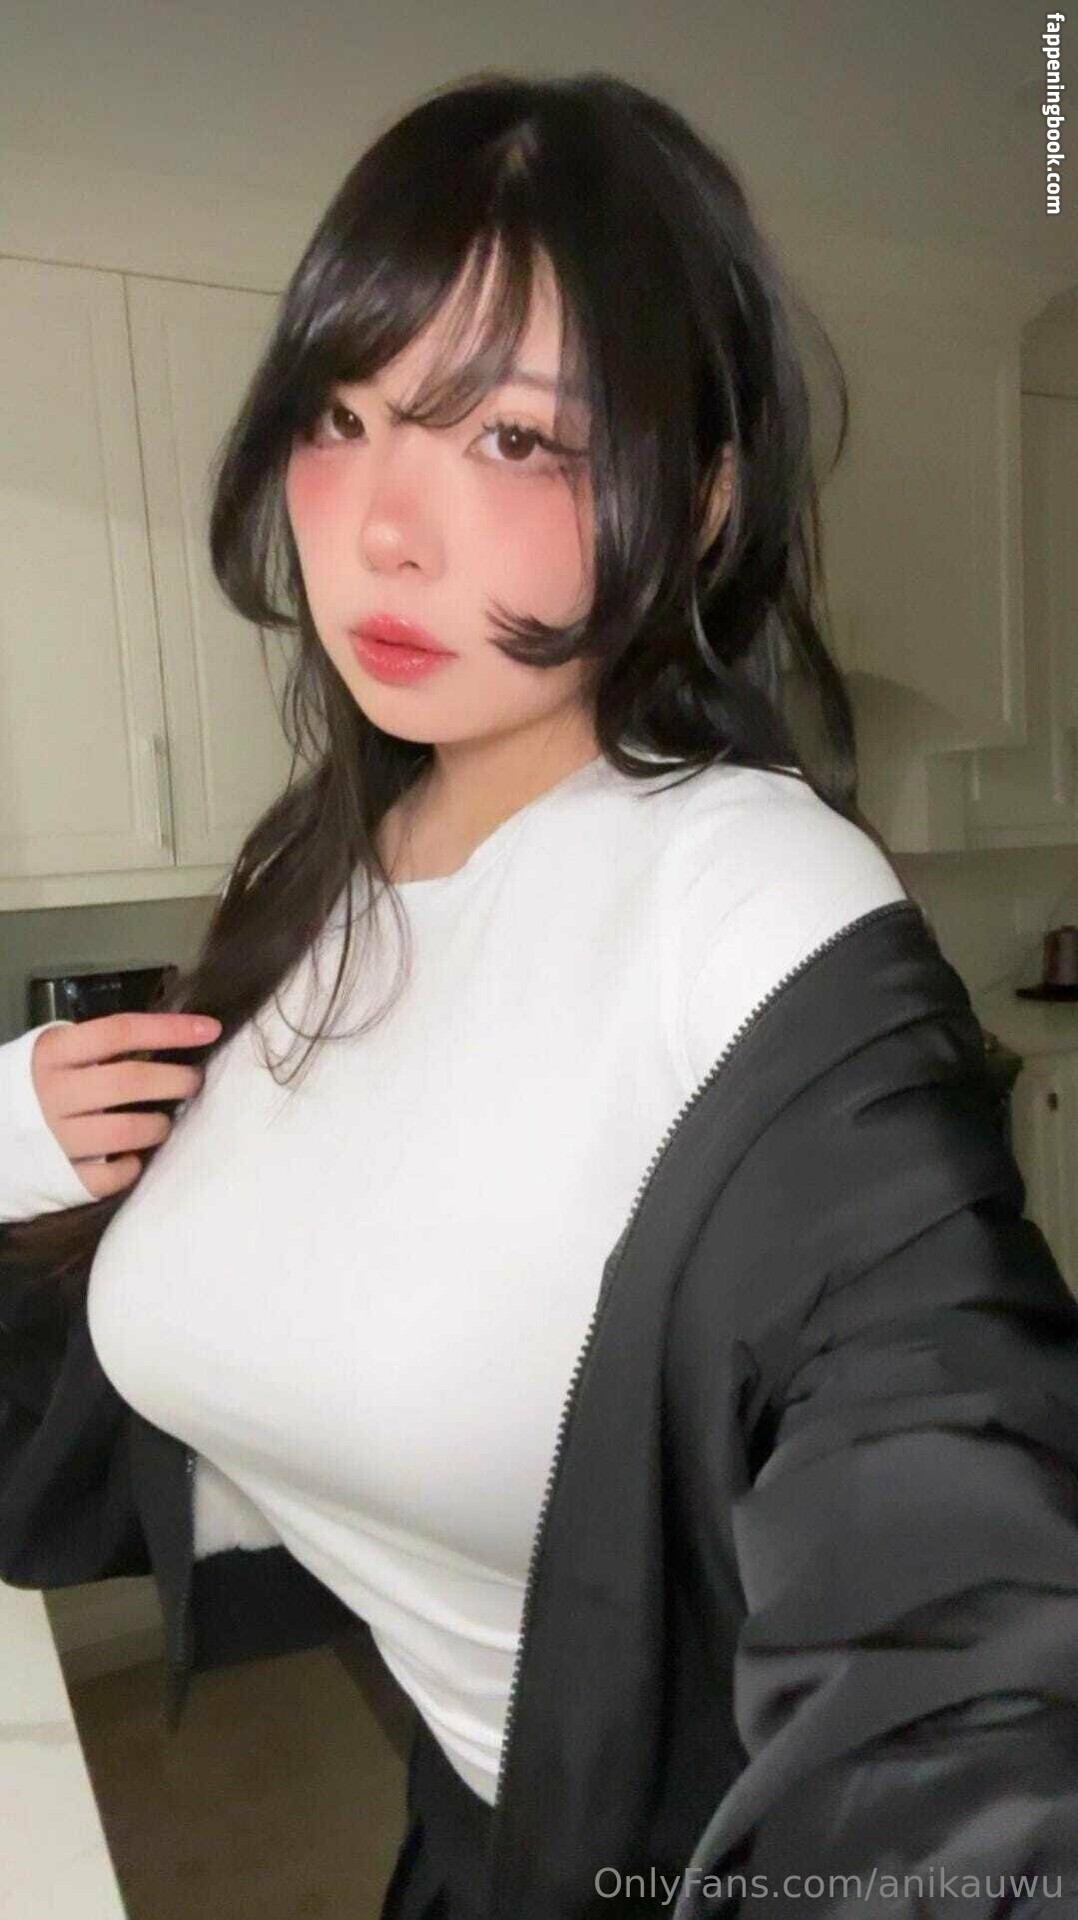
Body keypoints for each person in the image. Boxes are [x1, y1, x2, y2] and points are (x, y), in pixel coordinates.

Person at [3, 69, 1078, 1920]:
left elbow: (957, 1560)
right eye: (340, 416)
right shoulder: (318, 869)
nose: (378, 528)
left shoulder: (745, 893)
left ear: (702, 495)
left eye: (512, 438)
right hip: (465, 1831)